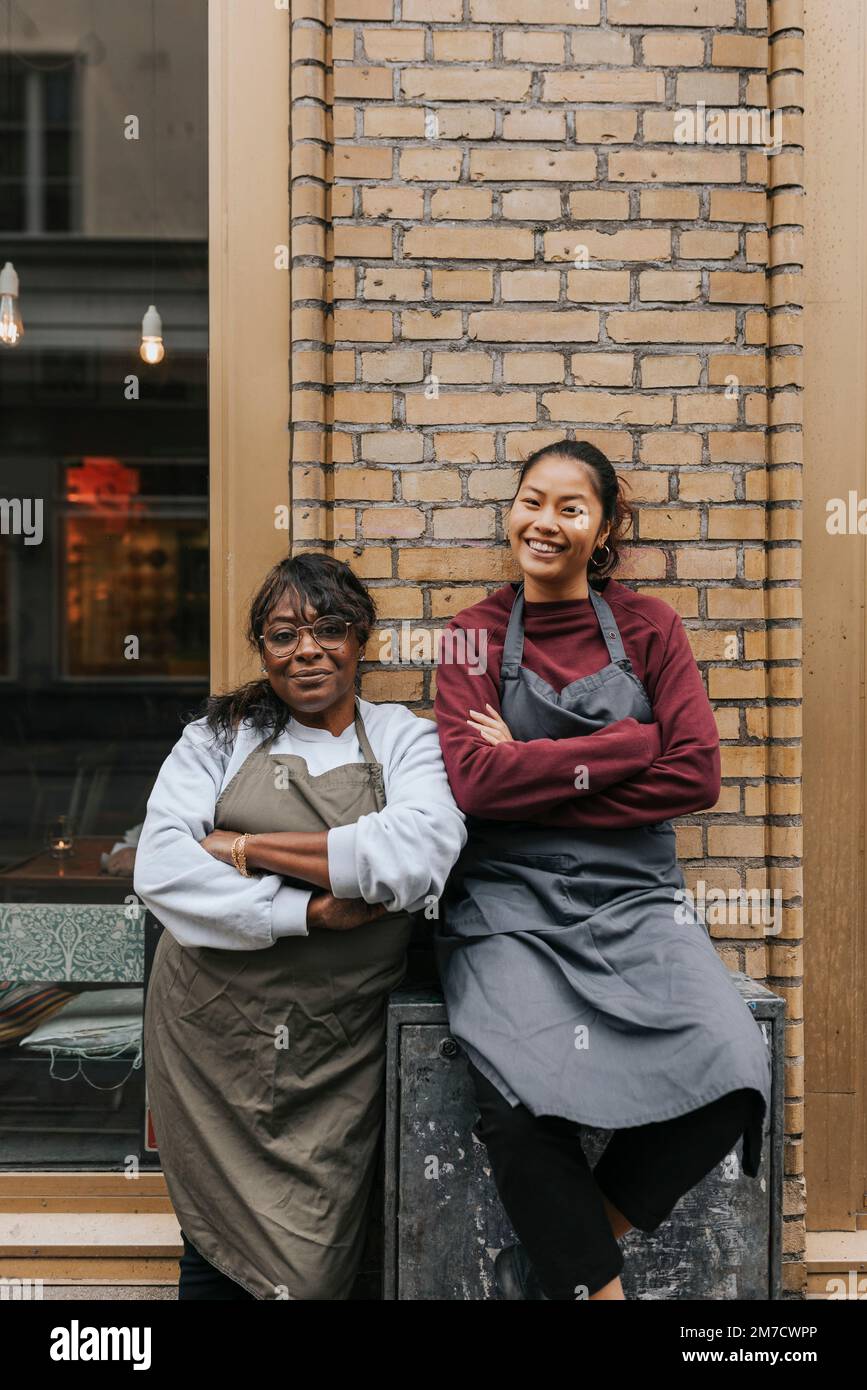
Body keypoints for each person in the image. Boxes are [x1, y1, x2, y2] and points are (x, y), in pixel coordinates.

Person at [432, 438, 772, 1302]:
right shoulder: (471, 638)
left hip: (634, 898)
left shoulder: (651, 627)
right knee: (512, 1101)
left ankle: (568, 1259)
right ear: (510, 508)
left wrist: (533, 770)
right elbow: (474, 785)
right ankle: (594, 1290)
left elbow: (694, 774)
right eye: (529, 500)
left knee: (733, 1072)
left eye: (570, 508)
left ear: (604, 526)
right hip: (505, 903)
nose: (544, 523)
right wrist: (624, 745)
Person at [135, 552, 466, 1300]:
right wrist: (310, 907)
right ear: (263, 648)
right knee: (213, 1247)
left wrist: (244, 848)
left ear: (362, 640)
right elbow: (159, 869)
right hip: (212, 1038)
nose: (307, 649)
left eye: (328, 629)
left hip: (333, 1046)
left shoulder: (405, 740)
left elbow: (415, 858)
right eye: (283, 634)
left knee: (312, 1267)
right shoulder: (219, 738)